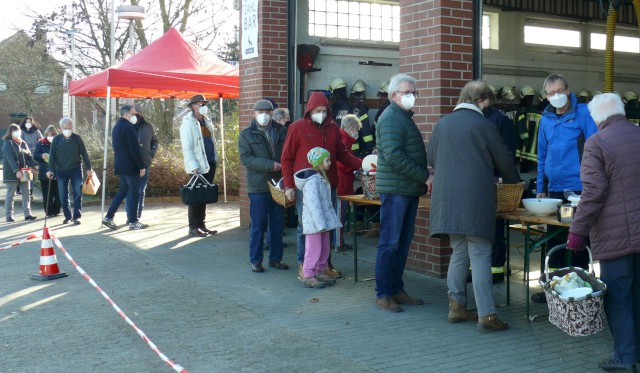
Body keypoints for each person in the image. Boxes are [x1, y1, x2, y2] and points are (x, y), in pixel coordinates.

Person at [428, 80, 519, 330]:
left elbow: (431, 158)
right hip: (476, 200)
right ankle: (487, 315)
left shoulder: (442, 123)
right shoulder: (484, 124)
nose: (488, 107)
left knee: (458, 252)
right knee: (480, 255)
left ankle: (456, 307)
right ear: (480, 101)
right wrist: (516, 185)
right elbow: (504, 160)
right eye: (487, 102)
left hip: (446, 200)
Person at [567, 93, 640, 372]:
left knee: (619, 296)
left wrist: (577, 231)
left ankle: (625, 358)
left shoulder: (597, 142)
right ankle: (635, 352)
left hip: (616, 235)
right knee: (637, 295)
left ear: (596, 118)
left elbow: (594, 192)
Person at [281, 91, 362, 282]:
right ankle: (304, 266)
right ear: (310, 110)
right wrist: (289, 186)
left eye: (325, 110)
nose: (322, 113)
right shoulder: (296, 128)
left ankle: (323, 265)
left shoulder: (333, 128)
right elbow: (286, 158)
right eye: (318, 110)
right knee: (306, 226)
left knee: (326, 225)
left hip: (328, 184)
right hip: (306, 187)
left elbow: (342, 154)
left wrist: (363, 164)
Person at [532, 74, 598, 303]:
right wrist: (541, 187)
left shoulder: (584, 114)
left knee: (578, 239)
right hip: (555, 190)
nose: (557, 96)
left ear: (568, 90)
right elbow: (542, 155)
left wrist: (591, 184)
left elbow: (594, 148)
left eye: (560, 91)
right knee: (553, 239)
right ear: (546, 96)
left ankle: (579, 290)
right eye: (551, 93)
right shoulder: (546, 119)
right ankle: (553, 289)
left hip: (579, 189)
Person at [374, 73, 429, 313]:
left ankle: (396, 288)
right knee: (390, 243)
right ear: (394, 94)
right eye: (408, 92)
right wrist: (423, 175)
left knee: (402, 242)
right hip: (396, 189)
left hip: (405, 189)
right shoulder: (391, 118)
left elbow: (404, 152)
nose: (412, 97)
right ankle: (384, 293)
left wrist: (423, 170)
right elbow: (394, 156)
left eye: (414, 93)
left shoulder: (402, 116)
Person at [239, 99, 288, 273]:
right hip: (258, 186)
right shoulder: (246, 135)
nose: (264, 115)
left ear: (272, 113)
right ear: (254, 114)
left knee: (277, 225)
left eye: (267, 112)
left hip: (278, 184)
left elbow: (288, 152)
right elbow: (246, 159)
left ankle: (276, 259)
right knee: (258, 226)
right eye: (260, 112)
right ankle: (256, 260)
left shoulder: (282, 130)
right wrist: (270, 165)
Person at [294, 147, 342, 288]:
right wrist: (320, 223)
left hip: (322, 223)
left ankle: (320, 270)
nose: (330, 163)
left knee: (325, 248)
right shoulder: (312, 182)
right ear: (319, 162)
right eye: (327, 160)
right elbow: (314, 205)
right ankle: (308, 274)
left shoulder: (321, 179)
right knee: (313, 249)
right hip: (315, 224)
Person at [483, 92, 518, 284]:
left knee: (496, 228)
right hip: (479, 181)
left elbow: (508, 151)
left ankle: (496, 270)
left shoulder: (500, 119)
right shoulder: (474, 118)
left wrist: (504, 177)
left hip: (496, 180)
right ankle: (477, 270)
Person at [101, 105, 147, 231]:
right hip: (130, 166)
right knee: (134, 193)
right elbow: (134, 149)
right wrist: (141, 166)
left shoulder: (116, 127)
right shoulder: (128, 128)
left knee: (123, 191)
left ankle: (109, 216)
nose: (135, 116)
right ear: (126, 114)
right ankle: (133, 221)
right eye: (133, 114)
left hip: (120, 165)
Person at [179, 94, 219, 237]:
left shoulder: (206, 121)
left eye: (204, 104)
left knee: (204, 196)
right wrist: (193, 165)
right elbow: (187, 147)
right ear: (193, 106)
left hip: (209, 163)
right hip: (197, 166)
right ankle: (193, 227)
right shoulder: (188, 123)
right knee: (195, 197)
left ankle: (202, 225)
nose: (203, 106)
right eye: (200, 104)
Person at [46, 117, 93, 225]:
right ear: (61, 128)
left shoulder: (77, 138)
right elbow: (52, 157)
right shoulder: (56, 140)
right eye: (65, 128)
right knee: (63, 194)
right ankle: (67, 216)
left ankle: (77, 216)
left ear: (72, 127)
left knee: (77, 193)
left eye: (69, 127)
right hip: (61, 170)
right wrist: (50, 170)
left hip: (76, 169)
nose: (67, 130)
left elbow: (84, 154)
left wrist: (89, 168)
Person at [336, 114, 361, 252]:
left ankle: (338, 241)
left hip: (343, 182)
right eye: (355, 128)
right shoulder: (344, 141)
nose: (356, 131)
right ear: (350, 127)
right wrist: (358, 165)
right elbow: (343, 162)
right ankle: (338, 243)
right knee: (340, 215)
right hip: (342, 183)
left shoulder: (345, 140)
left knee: (341, 214)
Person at [2, 123, 36, 222]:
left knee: (26, 193)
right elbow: (10, 159)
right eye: (15, 131)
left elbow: (29, 156)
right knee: (11, 194)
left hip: (25, 172)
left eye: (18, 131)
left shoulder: (23, 143)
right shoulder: (7, 143)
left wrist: (33, 167)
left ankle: (28, 214)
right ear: (10, 132)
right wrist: (16, 171)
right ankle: (9, 215)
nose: (18, 133)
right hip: (12, 173)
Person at [133, 112, 158, 220]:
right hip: (132, 163)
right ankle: (131, 215)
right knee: (133, 190)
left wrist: (151, 153)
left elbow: (155, 141)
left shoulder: (148, 126)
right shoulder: (128, 126)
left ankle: (138, 214)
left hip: (145, 161)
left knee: (141, 190)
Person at [33, 125, 61, 217]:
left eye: (53, 135)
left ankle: (56, 210)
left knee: (58, 194)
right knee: (47, 194)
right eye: (49, 135)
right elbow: (35, 155)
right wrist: (41, 156)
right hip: (45, 172)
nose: (51, 136)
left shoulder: (59, 143)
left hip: (58, 171)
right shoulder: (40, 144)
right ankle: (49, 212)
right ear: (46, 134)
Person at [19, 117, 43, 199]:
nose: (28, 124)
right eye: (27, 122)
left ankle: (30, 191)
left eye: (30, 122)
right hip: (25, 154)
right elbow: (20, 142)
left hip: (35, 155)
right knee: (27, 173)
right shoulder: (22, 131)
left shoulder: (36, 131)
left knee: (32, 173)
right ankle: (26, 191)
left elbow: (41, 140)